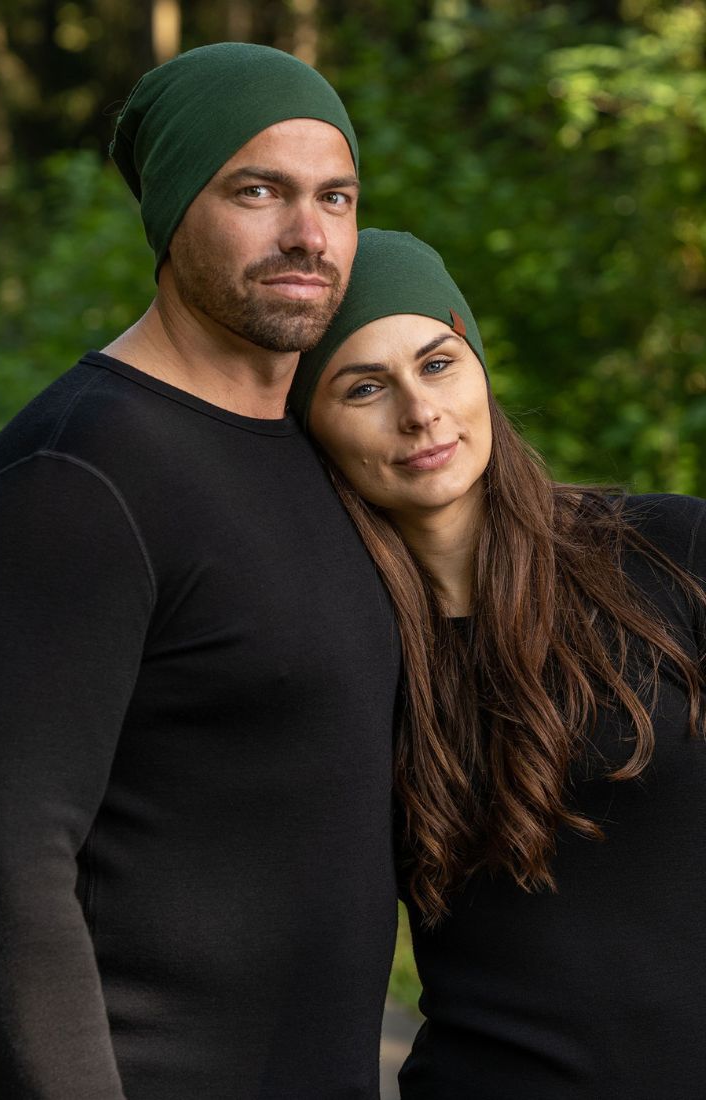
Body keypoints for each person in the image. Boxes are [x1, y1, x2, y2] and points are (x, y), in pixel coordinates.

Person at [0, 47, 401, 1100]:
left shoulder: (322, 456)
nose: (308, 234)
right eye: (257, 191)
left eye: (334, 197)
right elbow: (12, 872)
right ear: (175, 210)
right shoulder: (76, 475)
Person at [290, 228, 706, 1100]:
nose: (419, 412)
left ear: (479, 369)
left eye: (438, 364)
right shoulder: (333, 656)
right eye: (364, 387)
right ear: (312, 429)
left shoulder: (669, 552)